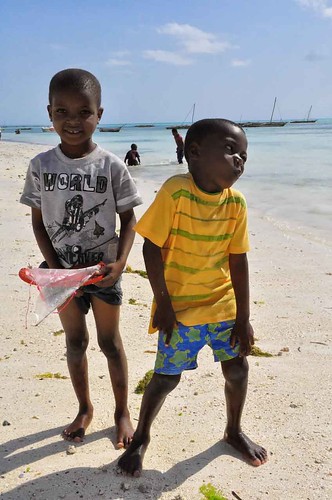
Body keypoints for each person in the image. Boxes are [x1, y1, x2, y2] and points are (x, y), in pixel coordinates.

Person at [118, 118, 268, 476]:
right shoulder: (176, 191)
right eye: (231, 150)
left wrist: (244, 318)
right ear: (194, 152)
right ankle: (140, 438)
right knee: (166, 378)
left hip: (222, 305)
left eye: (244, 155)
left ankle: (233, 431)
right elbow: (151, 248)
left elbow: (238, 260)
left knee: (237, 369)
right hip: (181, 309)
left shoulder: (236, 203)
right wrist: (164, 303)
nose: (239, 161)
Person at [20, 68, 143, 447]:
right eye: (62, 112)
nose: (73, 122)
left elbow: (129, 219)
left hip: (103, 273)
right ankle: (85, 408)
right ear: (50, 113)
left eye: (83, 112)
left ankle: (122, 412)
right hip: (60, 275)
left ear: (99, 114)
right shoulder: (41, 165)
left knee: (110, 343)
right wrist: (53, 266)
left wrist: (120, 264)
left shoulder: (111, 165)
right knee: (75, 343)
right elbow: (38, 222)